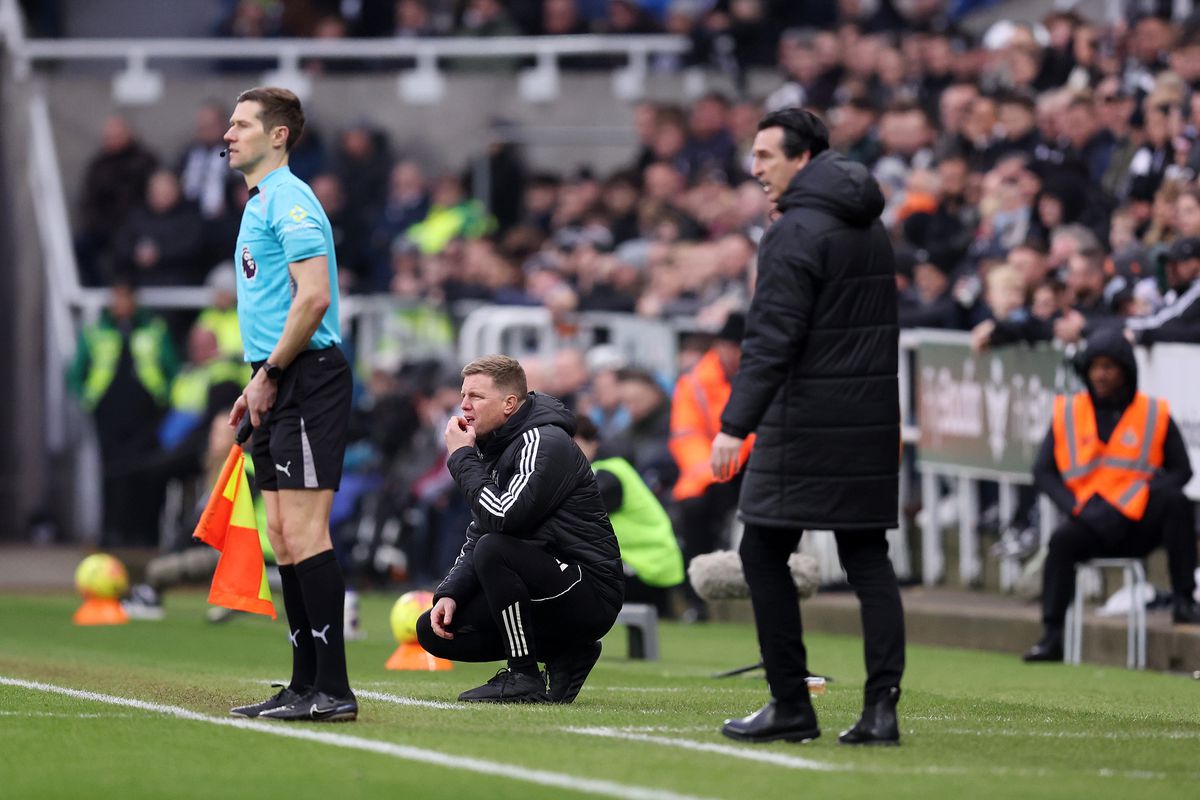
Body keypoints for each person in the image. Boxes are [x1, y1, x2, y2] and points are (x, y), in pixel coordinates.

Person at [710, 108, 905, 746]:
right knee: (868, 559)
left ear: (803, 158)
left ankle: (790, 703)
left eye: (766, 156)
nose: (755, 168)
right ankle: (881, 710)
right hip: (869, 417)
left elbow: (771, 338)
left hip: (805, 420)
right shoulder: (869, 224)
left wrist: (735, 424)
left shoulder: (795, 231)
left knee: (761, 551)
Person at [222, 87, 357, 722]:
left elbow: (314, 298)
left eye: (243, 123)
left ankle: (333, 689)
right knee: (281, 535)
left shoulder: (290, 197)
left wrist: (272, 372)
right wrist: (257, 377)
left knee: (305, 530)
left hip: (305, 375)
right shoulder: (260, 204)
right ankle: (304, 684)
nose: (229, 133)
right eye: (229, 123)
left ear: (278, 135)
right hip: (274, 376)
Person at [415, 355, 624, 704]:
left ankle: (523, 674)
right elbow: (480, 529)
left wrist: (461, 458)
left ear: (510, 403)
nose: (464, 406)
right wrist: (451, 591)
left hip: (588, 589)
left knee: (496, 549)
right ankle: (567, 653)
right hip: (542, 584)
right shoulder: (497, 445)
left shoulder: (542, 443)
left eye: (476, 397)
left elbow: (502, 518)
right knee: (434, 630)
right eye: (463, 395)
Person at [1023, 329, 1200, 662]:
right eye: (1095, 367)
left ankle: (1183, 602)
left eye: (1109, 367)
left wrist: (1146, 491)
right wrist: (1074, 506)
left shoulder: (1153, 412)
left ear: (1126, 371)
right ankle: (1052, 636)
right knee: (1061, 542)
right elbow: (1043, 471)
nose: (1100, 374)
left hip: (1137, 521)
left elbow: (1182, 471)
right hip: (1091, 518)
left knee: (1176, 503)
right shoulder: (1068, 411)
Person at [67, 277, 179, 547]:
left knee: (143, 471)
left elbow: (171, 368)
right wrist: (87, 398)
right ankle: (111, 532)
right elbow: (75, 373)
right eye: (117, 297)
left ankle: (142, 533)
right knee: (110, 473)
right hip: (108, 413)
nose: (121, 304)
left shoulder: (154, 329)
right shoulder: (97, 331)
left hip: (145, 414)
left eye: (126, 297)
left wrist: (164, 397)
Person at [668, 311, 754, 622]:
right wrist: (716, 471)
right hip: (712, 469)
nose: (736, 354)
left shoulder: (761, 375)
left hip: (754, 466)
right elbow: (686, 437)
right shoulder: (694, 383)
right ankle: (695, 598)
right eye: (732, 346)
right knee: (693, 509)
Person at [575, 414, 684, 619]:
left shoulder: (606, 475)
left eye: (574, 443)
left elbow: (577, 517)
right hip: (648, 565)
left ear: (593, 444)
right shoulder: (610, 469)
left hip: (646, 568)